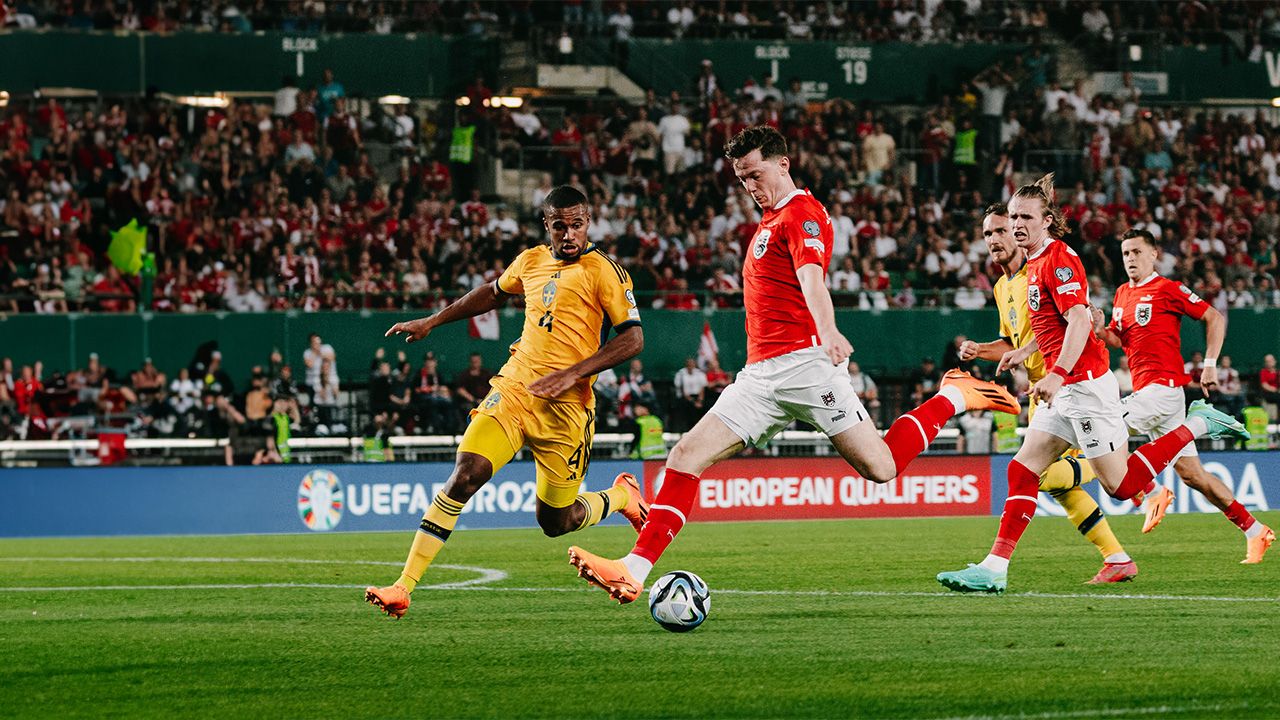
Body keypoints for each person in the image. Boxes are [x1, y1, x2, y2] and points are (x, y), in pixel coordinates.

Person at [568, 125, 1020, 604]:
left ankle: (953, 395)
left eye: (755, 174)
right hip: (759, 377)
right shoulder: (769, 220)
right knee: (684, 456)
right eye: (742, 179)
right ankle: (633, 570)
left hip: (807, 368)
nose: (750, 186)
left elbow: (812, 279)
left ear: (783, 164)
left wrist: (829, 331)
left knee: (881, 468)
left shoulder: (802, 213)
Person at [937, 174, 1248, 594]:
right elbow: (1054, 325)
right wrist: (1022, 350)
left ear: (1046, 221)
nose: (1017, 225)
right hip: (1062, 388)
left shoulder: (1059, 259)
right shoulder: (1033, 262)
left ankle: (1198, 423)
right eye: (1013, 218)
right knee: (1022, 469)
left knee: (1121, 487)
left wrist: (1056, 374)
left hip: (1083, 386)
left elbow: (1080, 320)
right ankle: (994, 568)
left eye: (1025, 217)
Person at [365, 185, 649, 619]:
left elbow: (633, 339)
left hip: (567, 409)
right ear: (547, 225)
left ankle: (622, 496)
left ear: (588, 223)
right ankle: (403, 587)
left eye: (577, 225)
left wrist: (573, 373)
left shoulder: (606, 272)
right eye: (559, 226)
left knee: (556, 522)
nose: (568, 234)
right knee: (466, 474)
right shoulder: (530, 260)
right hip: (516, 389)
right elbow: (493, 293)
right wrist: (433, 321)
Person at [957, 203, 1137, 583]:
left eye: (1002, 229)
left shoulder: (1041, 267)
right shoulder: (1002, 287)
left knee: (1099, 482)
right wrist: (984, 350)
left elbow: (1071, 320)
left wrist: (1055, 368)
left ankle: (1135, 467)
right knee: (1034, 476)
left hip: (1069, 381)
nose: (996, 238)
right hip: (1046, 390)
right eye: (989, 233)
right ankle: (1114, 558)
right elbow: (1017, 339)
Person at [1093, 229, 1273, 563]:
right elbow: (1119, 339)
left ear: (1154, 254)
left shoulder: (1168, 289)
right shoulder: (1121, 294)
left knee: (1100, 430)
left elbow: (1214, 317)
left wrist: (1210, 365)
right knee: (1193, 475)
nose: (1130, 258)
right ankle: (1254, 530)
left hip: (1162, 390)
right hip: (1147, 393)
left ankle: (1154, 489)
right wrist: (1100, 330)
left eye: (1136, 252)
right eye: (1126, 253)